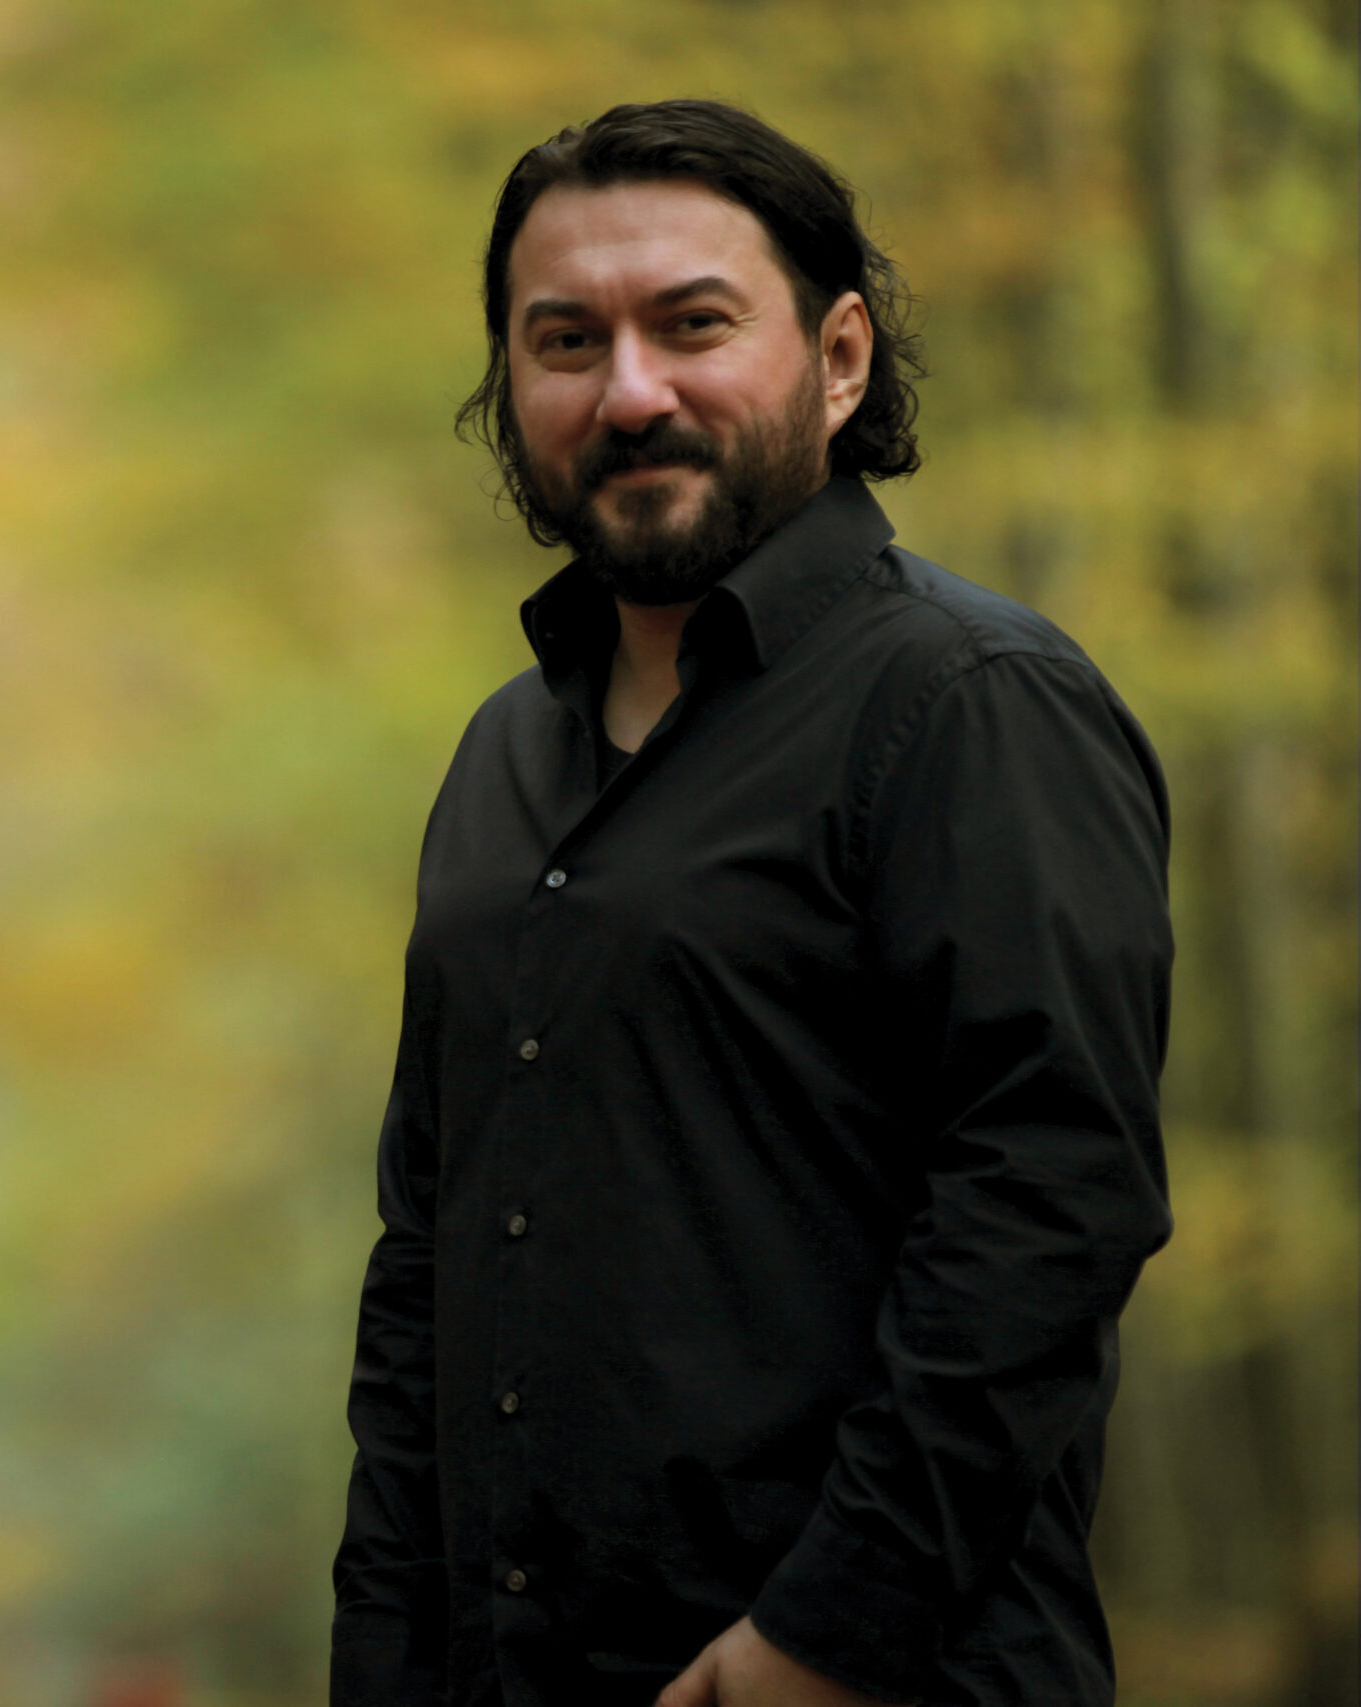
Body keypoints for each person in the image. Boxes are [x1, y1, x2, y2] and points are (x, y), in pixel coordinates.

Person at [330, 100, 1171, 1707]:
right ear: (510, 385)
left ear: (839, 359)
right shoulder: (502, 761)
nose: (629, 391)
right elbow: (422, 1269)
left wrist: (827, 1636)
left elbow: (1051, 1210)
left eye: (692, 325)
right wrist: (381, 1659)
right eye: (566, 340)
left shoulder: (972, 703)